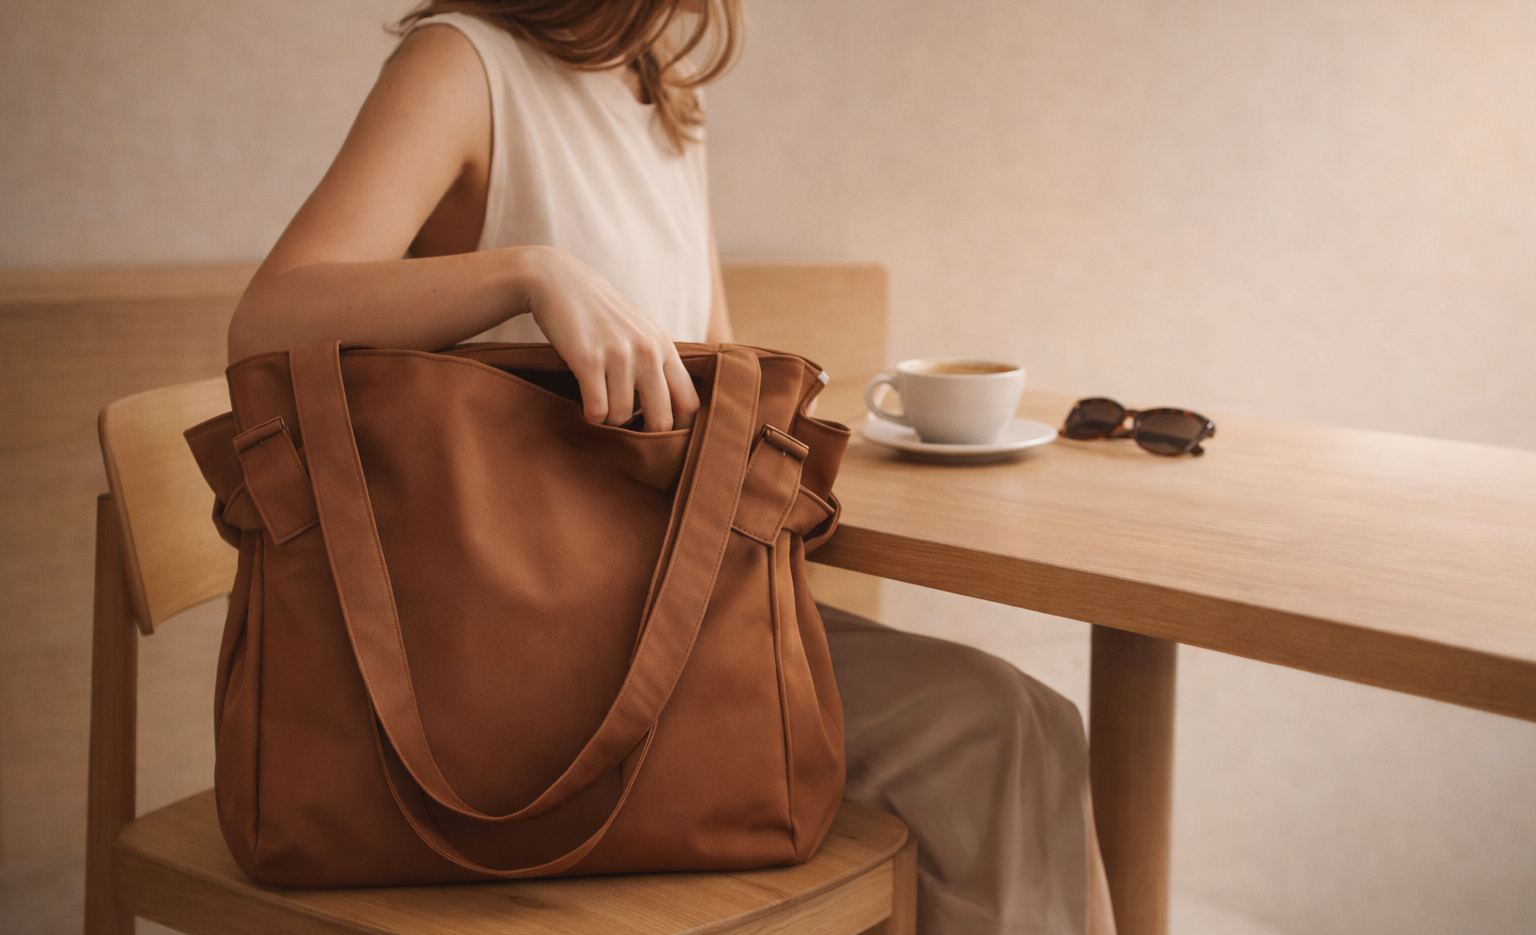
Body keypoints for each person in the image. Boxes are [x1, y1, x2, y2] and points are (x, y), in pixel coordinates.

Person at [229, 2, 1116, 932]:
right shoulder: (462, 65)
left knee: (1029, 724)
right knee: (995, 731)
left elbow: (709, 363)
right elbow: (268, 319)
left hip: (666, 606)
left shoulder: (663, 94)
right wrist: (529, 273)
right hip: (509, 643)